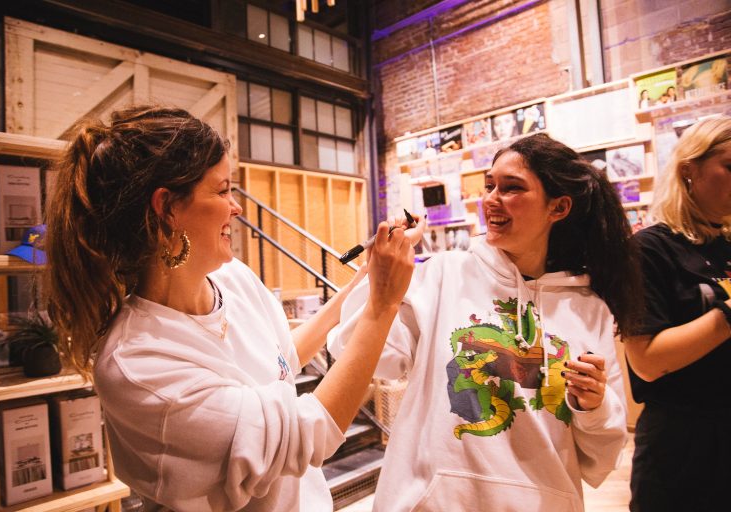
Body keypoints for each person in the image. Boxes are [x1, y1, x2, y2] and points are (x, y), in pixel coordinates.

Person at [44, 105, 417, 511]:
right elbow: (306, 435)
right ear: (167, 208)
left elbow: (283, 358)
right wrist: (382, 305)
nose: (236, 207)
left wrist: (369, 276)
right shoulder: (138, 364)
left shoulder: (231, 278)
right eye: (222, 191)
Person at [329, 132, 642, 511]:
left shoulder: (588, 308)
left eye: (512, 188)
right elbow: (358, 353)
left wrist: (594, 406)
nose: (491, 198)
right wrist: (380, 277)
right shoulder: (442, 275)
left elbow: (601, 458)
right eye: (490, 185)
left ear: (558, 208)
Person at [623, 116, 731, 512]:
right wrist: (727, 314)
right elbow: (647, 361)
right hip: (682, 448)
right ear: (689, 171)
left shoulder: (725, 243)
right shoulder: (649, 249)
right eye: (730, 166)